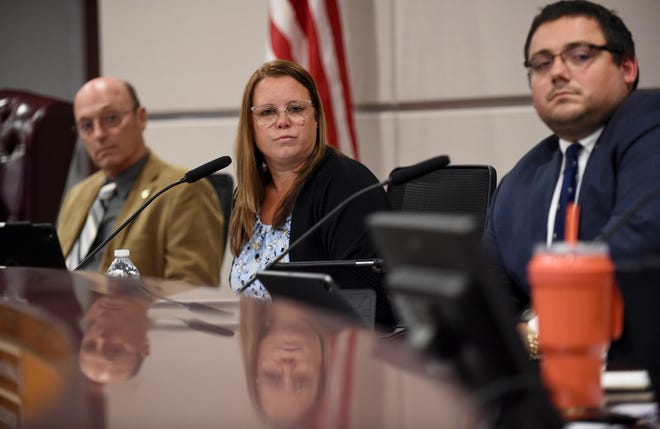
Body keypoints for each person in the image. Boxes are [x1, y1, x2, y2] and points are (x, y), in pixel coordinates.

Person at [484, 1, 660, 342]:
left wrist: (535, 334)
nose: (557, 73)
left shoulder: (650, 125)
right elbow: (486, 301)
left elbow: (632, 249)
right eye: (542, 63)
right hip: (548, 384)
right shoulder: (517, 183)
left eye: (579, 56)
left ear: (627, 67)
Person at [228, 60, 390, 299]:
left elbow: (363, 303)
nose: (282, 121)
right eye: (267, 112)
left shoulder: (346, 186)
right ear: (251, 128)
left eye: (295, 109)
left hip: (323, 336)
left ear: (315, 117)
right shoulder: (249, 193)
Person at [57, 77, 224, 286]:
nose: (99, 134)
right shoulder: (78, 194)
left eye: (110, 118)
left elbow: (192, 291)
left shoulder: (183, 191)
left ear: (141, 118)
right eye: (87, 125)